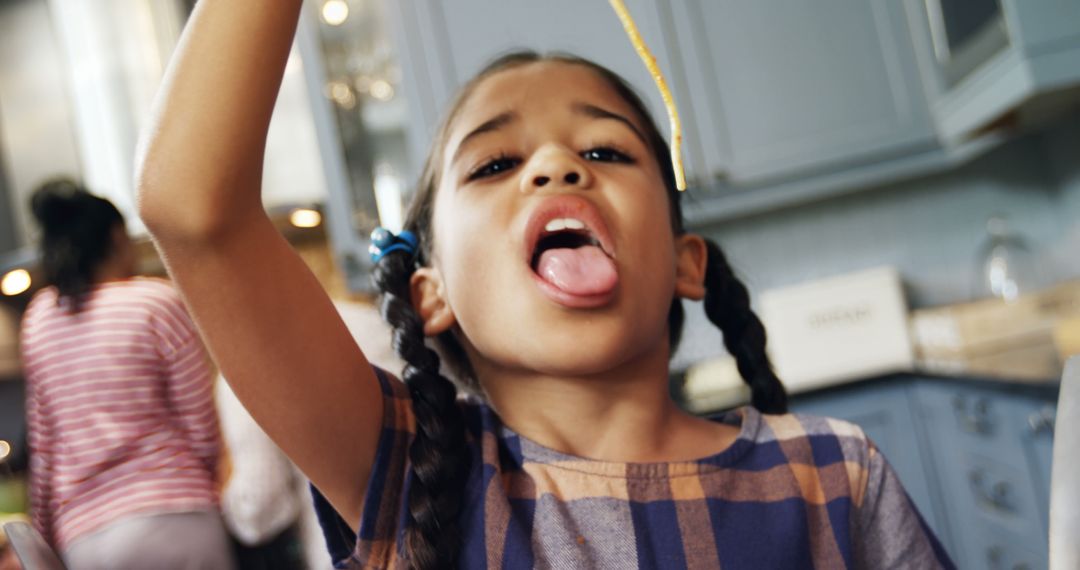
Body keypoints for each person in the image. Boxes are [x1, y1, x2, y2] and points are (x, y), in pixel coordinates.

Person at [136, 2, 954, 568]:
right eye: (495, 164)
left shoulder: (835, 474)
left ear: (684, 260)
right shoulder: (407, 472)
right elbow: (192, 208)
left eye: (606, 152)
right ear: (431, 292)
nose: (558, 165)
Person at [20, 179, 234, 569]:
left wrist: (44, 535)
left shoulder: (39, 318)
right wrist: (205, 482)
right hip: (175, 513)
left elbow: (44, 441)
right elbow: (200, 421)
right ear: (117, 238)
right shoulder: (153, 300)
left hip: (87, 537)